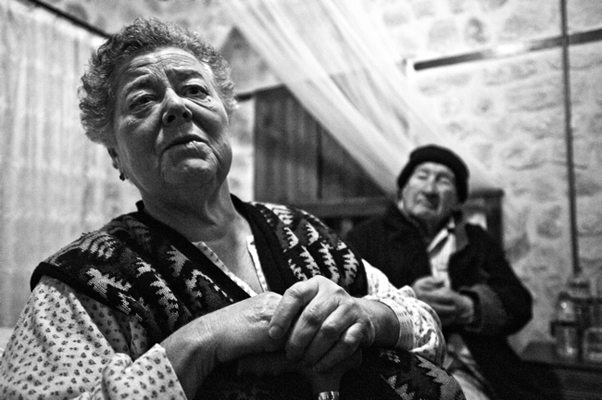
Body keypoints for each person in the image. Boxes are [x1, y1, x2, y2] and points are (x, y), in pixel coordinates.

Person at [0, 19, 465, 400]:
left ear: (225, 118)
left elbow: (425, 324)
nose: (176, 106)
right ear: (115, 157)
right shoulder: (85, 280)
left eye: (195, 90)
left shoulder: (300, 229)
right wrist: (203, 341)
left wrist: (368, 316)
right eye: (142, 100)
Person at [346, 144, 562, 400]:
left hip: (472, 366)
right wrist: (408, 302)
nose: (429, 189)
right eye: (421, 176)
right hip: (399, 366)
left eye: (443, 181)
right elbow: (350, 302)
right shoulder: (366, 237)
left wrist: (467, 306)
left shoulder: (475, 240)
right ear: (403, 188)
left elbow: (519, 303)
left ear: (458, 201)